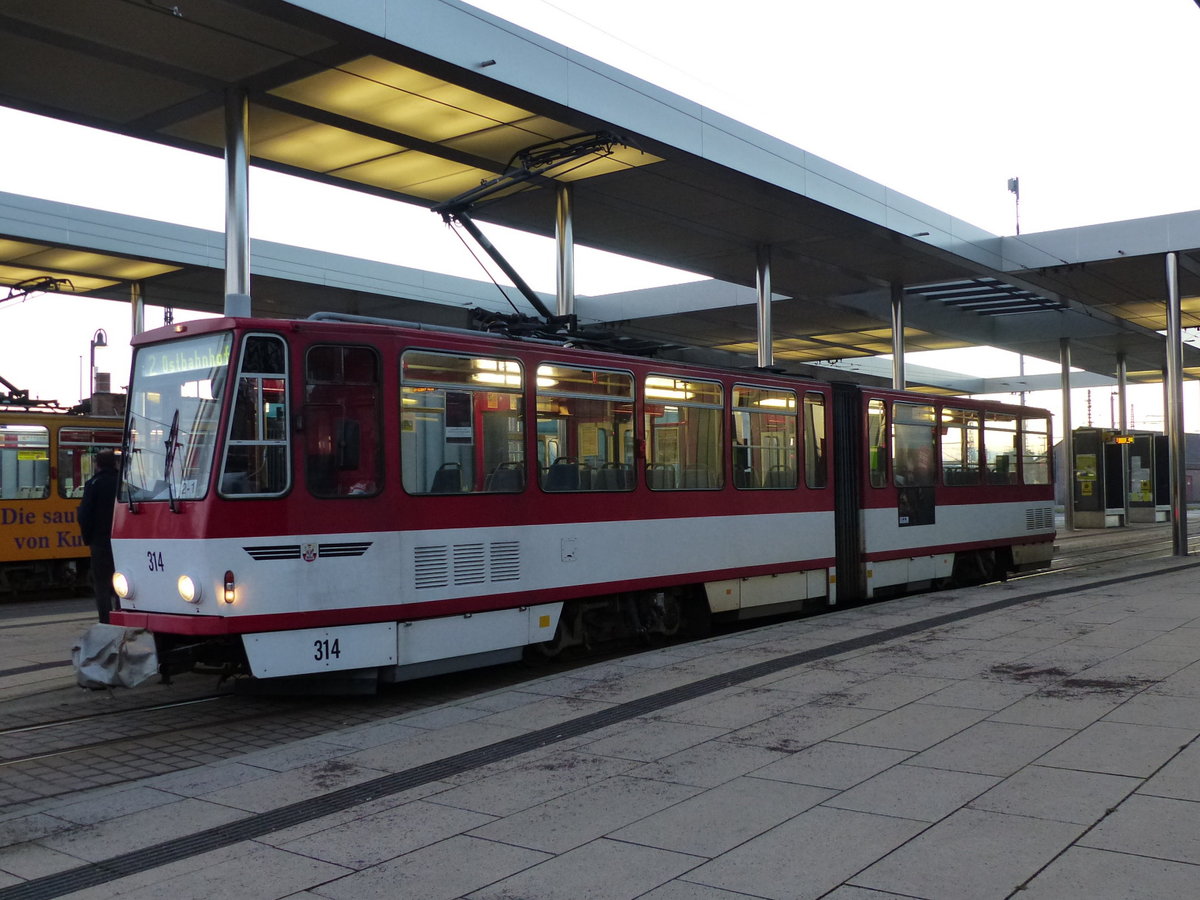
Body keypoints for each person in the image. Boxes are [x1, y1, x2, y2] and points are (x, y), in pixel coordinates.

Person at [78, 449, 119, 623]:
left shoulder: (93, 484)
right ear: (115, 464)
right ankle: (123, 614)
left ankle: (106, 620)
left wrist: (88, 538)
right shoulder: (123, 483)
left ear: (97, 465)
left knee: (102, 584)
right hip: (121, 541)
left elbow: (84, 515)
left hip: (100, 542)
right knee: (122, 582)